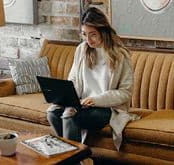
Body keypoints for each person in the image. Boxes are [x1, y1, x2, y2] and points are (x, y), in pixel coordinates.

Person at [46, 7, 139, 150]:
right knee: (52, 113)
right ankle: (74, 156)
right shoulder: (81, 50)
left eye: (93, 34)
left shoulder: (120, 55)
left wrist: (96, 100)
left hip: (106, 108)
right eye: (84, 34)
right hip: (82, 103)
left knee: (70, 116)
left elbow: (125, 92)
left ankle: (72, 157)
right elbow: (74, 80)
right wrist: (68, 97)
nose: (88, 40)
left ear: (103, 31)